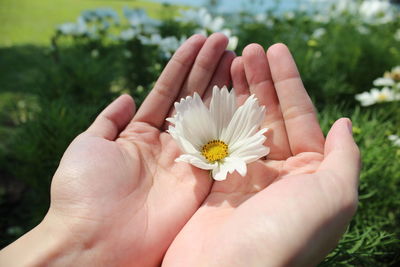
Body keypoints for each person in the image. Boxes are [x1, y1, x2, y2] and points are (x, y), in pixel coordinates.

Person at [0, 33, 360, 266]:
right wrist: (76, 237)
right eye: (214, 151)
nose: (216, 154)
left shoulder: (229, 148)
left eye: (219, 150)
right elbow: (206, 146)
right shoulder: (203, 145)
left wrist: (73, 244)